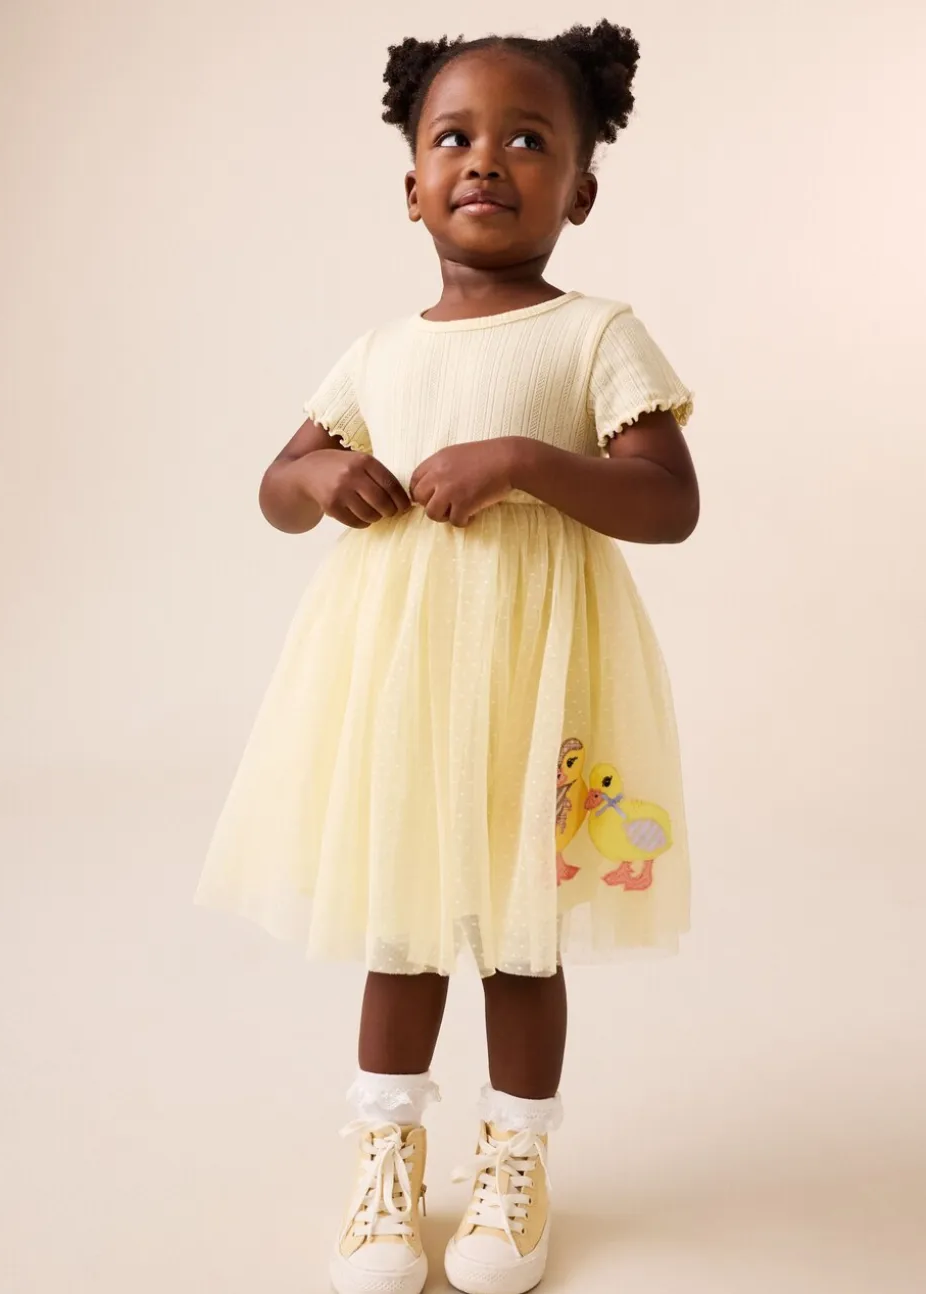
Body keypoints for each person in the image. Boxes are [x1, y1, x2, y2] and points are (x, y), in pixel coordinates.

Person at [195, 19, 699, 1294]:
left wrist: (524, 461)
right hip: (404, 679)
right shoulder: (377, 353)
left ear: (579, 190)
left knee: (521, 937)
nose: (486, 159)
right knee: (405, 923)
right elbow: (274, 485)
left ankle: (515, 1162)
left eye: (527, 140)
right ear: (411, 184)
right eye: (454, 137)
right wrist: (321, 473)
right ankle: (387, 1158)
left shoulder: (597, 334)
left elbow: (667, 500)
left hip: (537, 676)